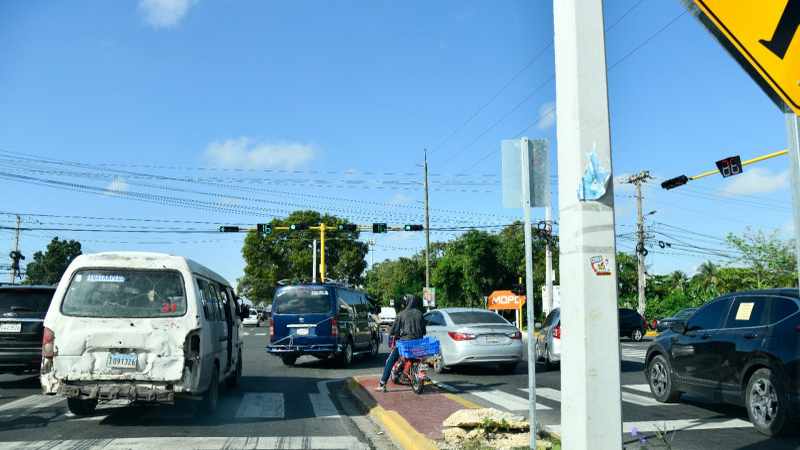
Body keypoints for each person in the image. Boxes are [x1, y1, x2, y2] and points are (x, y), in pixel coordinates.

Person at [376, 294, 427, 391]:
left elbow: (392, 331)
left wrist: (395, 333)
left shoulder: (401, 314)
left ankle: (382, 384)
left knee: (390, 360)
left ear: (407, 302)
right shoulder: (419, 314)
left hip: (405, 343)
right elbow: (424, 331)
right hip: (418, 344)